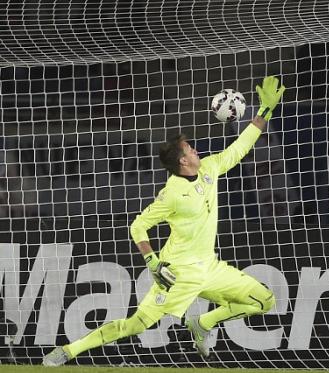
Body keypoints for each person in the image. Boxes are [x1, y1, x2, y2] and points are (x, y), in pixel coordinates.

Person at [42, 76, 286, 366]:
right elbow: (138, 226)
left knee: (264, 301)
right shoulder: (171, 194)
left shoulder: (209, 168)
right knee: (136, 325)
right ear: (183, 161)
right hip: (178, 274)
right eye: (190, 149)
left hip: (210, 267)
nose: (196, 150)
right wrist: (153, 262)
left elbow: (240, 148)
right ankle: (67, 351)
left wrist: (264, 112)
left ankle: (202, 322)